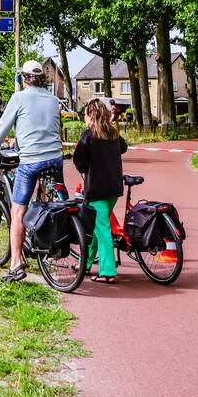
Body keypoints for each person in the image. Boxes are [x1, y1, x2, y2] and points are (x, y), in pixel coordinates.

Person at [0, 60, 63, 282]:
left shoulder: (19, 98)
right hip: (55, 158)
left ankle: (15, 264)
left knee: (18, 211)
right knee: (49, 203)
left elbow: (4, 126)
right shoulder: (53, 99)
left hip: (31, 161)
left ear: (23, 78)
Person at [73, 99, 129, 283]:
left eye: (85, 115)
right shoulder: (113, 133)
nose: (84, 118)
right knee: (97, 228)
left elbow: (79, 161)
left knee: (102, 229)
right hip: (113, 188)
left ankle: (107, 271)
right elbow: (124, 147)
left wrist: (87, 165)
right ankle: (85, 263)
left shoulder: (88, 135)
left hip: (96, 190)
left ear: (90, 115)